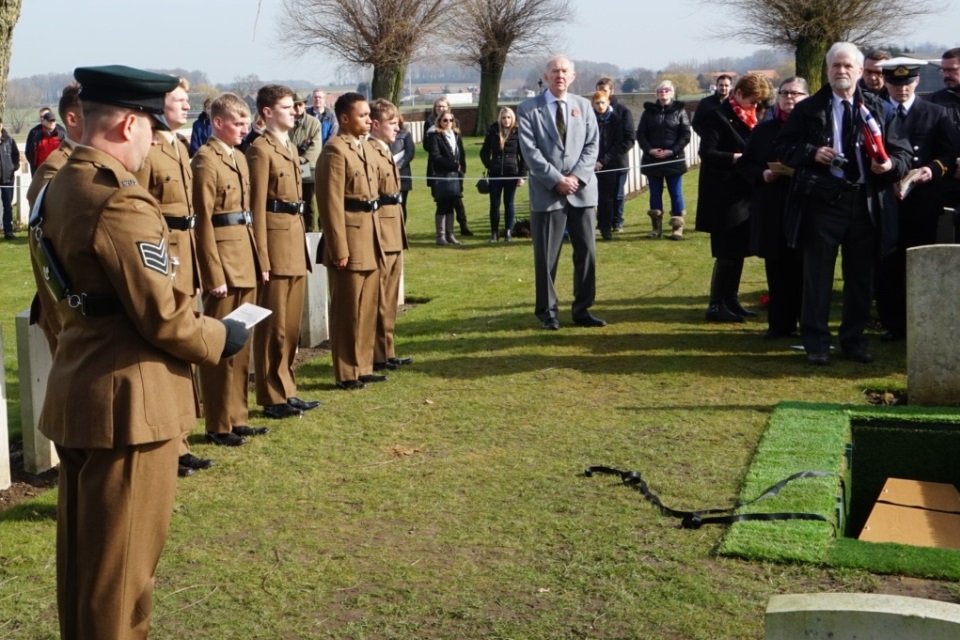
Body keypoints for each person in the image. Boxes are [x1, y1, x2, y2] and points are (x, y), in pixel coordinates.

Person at [29, 63, 249, 640]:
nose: (155, 141)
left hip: (82, 389)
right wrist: (222, 337)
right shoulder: (120, 202)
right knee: (122, 583)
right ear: (128, 124)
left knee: (87, 573)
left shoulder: (59, 185)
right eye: (151, 127)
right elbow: (167, 316)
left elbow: (55, 304)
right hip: (130, 405)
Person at [776, 42, 911, 365]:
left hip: (864, 202)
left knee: (861, 278)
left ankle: (853, 341)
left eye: (848, 66)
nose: (841, 71)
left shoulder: (879, 109)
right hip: (823, 202)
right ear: (826, 70)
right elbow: (784, 147)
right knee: (817, 276)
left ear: (861, 72)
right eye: (836, 66)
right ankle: (817, 344)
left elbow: (903, 153)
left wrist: (890, 165)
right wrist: (811, 153)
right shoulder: (808, 109)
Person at [134, 77, 220, 473]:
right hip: (163, 255)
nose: (187, 107)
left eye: (188, 101)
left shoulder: (180, 146)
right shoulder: (149, 151)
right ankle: (169, 445)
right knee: (168, 350)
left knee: (183, 350)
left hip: (185, 251)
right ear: (159, 105)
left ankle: (182, 441)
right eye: (179, 101)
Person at [193, 92, 272, 446]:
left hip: (245, 257)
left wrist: (261, 261)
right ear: (218, 123)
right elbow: (203, 222)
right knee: (220, 346)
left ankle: (237, 416)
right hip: (224, 262)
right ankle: (217, 423)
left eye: (246, 123)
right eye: (237, 124)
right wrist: (213, 275)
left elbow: (249, 217)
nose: (244, 129)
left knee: (241, 345)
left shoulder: (238, 157)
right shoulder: (205, 161)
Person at [874, 58, 960, 342]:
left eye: (908, 84)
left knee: (920, 262)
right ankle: (892, 323)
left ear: (917, 82)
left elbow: (948, 154)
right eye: (896, 85)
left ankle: (920, 320)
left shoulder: (935, 113)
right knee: (888, 263)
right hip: (885, 198)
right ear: (886, 83)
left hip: (922, 201)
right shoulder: (875, 111)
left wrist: (931, 169)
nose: (902, 90)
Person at [247, 84, 321, 415]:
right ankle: (270, 395)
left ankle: (287, 387)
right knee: (273, 327)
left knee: (290, 327)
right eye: (287, 107)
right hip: (274, 245)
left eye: (294, 106)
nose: (294, 111)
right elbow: (257, 207)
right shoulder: (260, 150)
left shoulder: (289, 147)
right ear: (267, 112)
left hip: (293, 237)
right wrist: (261, 256)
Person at [517, 54, 605, 330]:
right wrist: (557, 179)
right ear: (545, 76)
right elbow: (530, 152)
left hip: (582, 191)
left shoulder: (583, 106)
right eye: (555, 71)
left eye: (565, 71)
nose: (560, 75)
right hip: (548, 193)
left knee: (587, 252)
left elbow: (592, 145)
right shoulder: (528, 109)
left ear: (573, 77)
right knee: (546, 256)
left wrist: (576, 177)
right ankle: (548, 312)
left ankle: (582, 309)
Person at [316, 92, 387, 390]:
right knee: (347, 310)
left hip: (370, 235)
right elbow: (330, 204)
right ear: (344, 119)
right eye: (362, 115)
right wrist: (338, 248)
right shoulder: (335, 150)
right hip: (349, 238)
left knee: (368, 306)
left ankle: (364, 365)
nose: (369, 120)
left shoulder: (366, 148)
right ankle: (346, 371)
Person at [737, 77, 809, 339]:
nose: (789, 98)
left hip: (804, 207)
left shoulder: (814, 128)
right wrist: (763, 174)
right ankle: (780, 324)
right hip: (773, 207)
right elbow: (746, 164)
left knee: (804, 268)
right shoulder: (764, 130)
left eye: (796, 94)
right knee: (777, 269)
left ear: (806, 98)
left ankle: (808, 324)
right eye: (785, 93)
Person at [696, 72, 770, 323]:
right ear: (738, 94)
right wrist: (736, 158)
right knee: (726, 252)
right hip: (722, 193)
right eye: (752, 100)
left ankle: (731, 299)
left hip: (742, 194)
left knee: (738, 250)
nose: (755, 106)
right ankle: (716, 304)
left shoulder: (750, 116)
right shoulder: (716, 116)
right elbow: (706, 152)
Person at [26, 83, 84, 351]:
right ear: (71, 119)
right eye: (93, 113)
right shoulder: (54, 170)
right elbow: (46, 254)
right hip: (71, 319)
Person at [368, 98, 413, 372]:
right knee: (381, 295)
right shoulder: (372, 152)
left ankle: (387, 350)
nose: (397, 128)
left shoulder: (384, 150)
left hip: (393, 227)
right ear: (376, 125)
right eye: (392, 123)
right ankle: (377, 352)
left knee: (390, 296)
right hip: (382, 230)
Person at [636, 79, 691, 240]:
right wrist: (650, 150)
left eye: (666, 90)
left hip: (673, 160)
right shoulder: (648, 112)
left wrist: (671, 151)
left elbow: (685, 134)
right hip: (652, 160)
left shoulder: (680, 112)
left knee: (676, 194)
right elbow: (641, 134)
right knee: (654, 194)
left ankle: (677, 227)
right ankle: (656, 228)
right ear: (656, 94)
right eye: (660, 90)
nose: (663, 93)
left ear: (672, 93)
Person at [424, 97, 473, 236]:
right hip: (439, 170)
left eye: (443, 106)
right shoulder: (430, 127)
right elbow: (430, 149)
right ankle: (442, 234)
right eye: (438, 106)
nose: (441, 109)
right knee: (442, 201)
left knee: (456, 198)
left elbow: (460, 151)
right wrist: (448, 161)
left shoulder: (455, 131)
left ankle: (460, 227)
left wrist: (461, 168)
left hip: (455, 171)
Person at [480, 107, 526, 242]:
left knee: (509, 203)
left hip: (511, 173)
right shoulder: (492, 132)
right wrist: (490, 164)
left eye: (508, 117)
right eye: (504, 117)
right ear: (500, 118)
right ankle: (494, 233)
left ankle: (508, 232)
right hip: (495, 175)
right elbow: (483, 152)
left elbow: (523, 157)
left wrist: (522, 176)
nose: (506, 120)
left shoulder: (518, 133)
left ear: (513, 118)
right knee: (494, 204)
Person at [596, 77, 636, 232]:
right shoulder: (594, 112)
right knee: (602, 196)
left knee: (617, 195)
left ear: (611, 91)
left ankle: (617, 222)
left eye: (604, 90)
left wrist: (610, 156)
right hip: (598, 163)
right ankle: (602, 223)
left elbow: (629, 139)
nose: (601, 94)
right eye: (599, 90)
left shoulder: (623, 112)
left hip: (618, 161)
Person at [927, 48, 960, 224]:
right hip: (944, 187)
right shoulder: (933, 102)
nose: (946, 75)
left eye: (952, 70)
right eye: (943, 70)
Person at [592, 90, 628, 240]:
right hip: (590, 163)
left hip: (609, 164)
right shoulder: (589, 118)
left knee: (607, 198)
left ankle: (606, 228)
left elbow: (618, 143)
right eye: (597, 103)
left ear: (608, 102)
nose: (600, 106)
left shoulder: (616, 119)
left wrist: (602, 161)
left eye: (603, 103)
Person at [290, 93, 322, 231]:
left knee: (309, 202)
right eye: (294, 105)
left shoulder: (313, 123)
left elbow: (316, 147)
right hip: (289, 167)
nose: (297, 107)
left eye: (300, 104)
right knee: (293, 200)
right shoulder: (287, 122)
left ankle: (310, 230)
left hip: (308, 167)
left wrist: (300, 159)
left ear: (304, 105)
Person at [25, 107, 65, 174]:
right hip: (41, 172)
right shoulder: (35, 135)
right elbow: (30, 154)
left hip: (58, 171)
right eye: (42, 117)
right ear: (43, 121)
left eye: (53, 120)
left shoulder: (62, 134)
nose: (51, 123)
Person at [390, 114, 415, 222]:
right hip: (387, 176)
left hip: (402, 176)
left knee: (401, 204)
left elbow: (409, 154)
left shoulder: (405, 134)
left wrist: (396, 167)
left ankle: (402, 231)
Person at [0, 117, 20, 240]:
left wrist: (13, 167)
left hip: (7, 178)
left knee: (7, 206)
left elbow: (16, 155)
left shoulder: (9, 140)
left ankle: (8, 231)